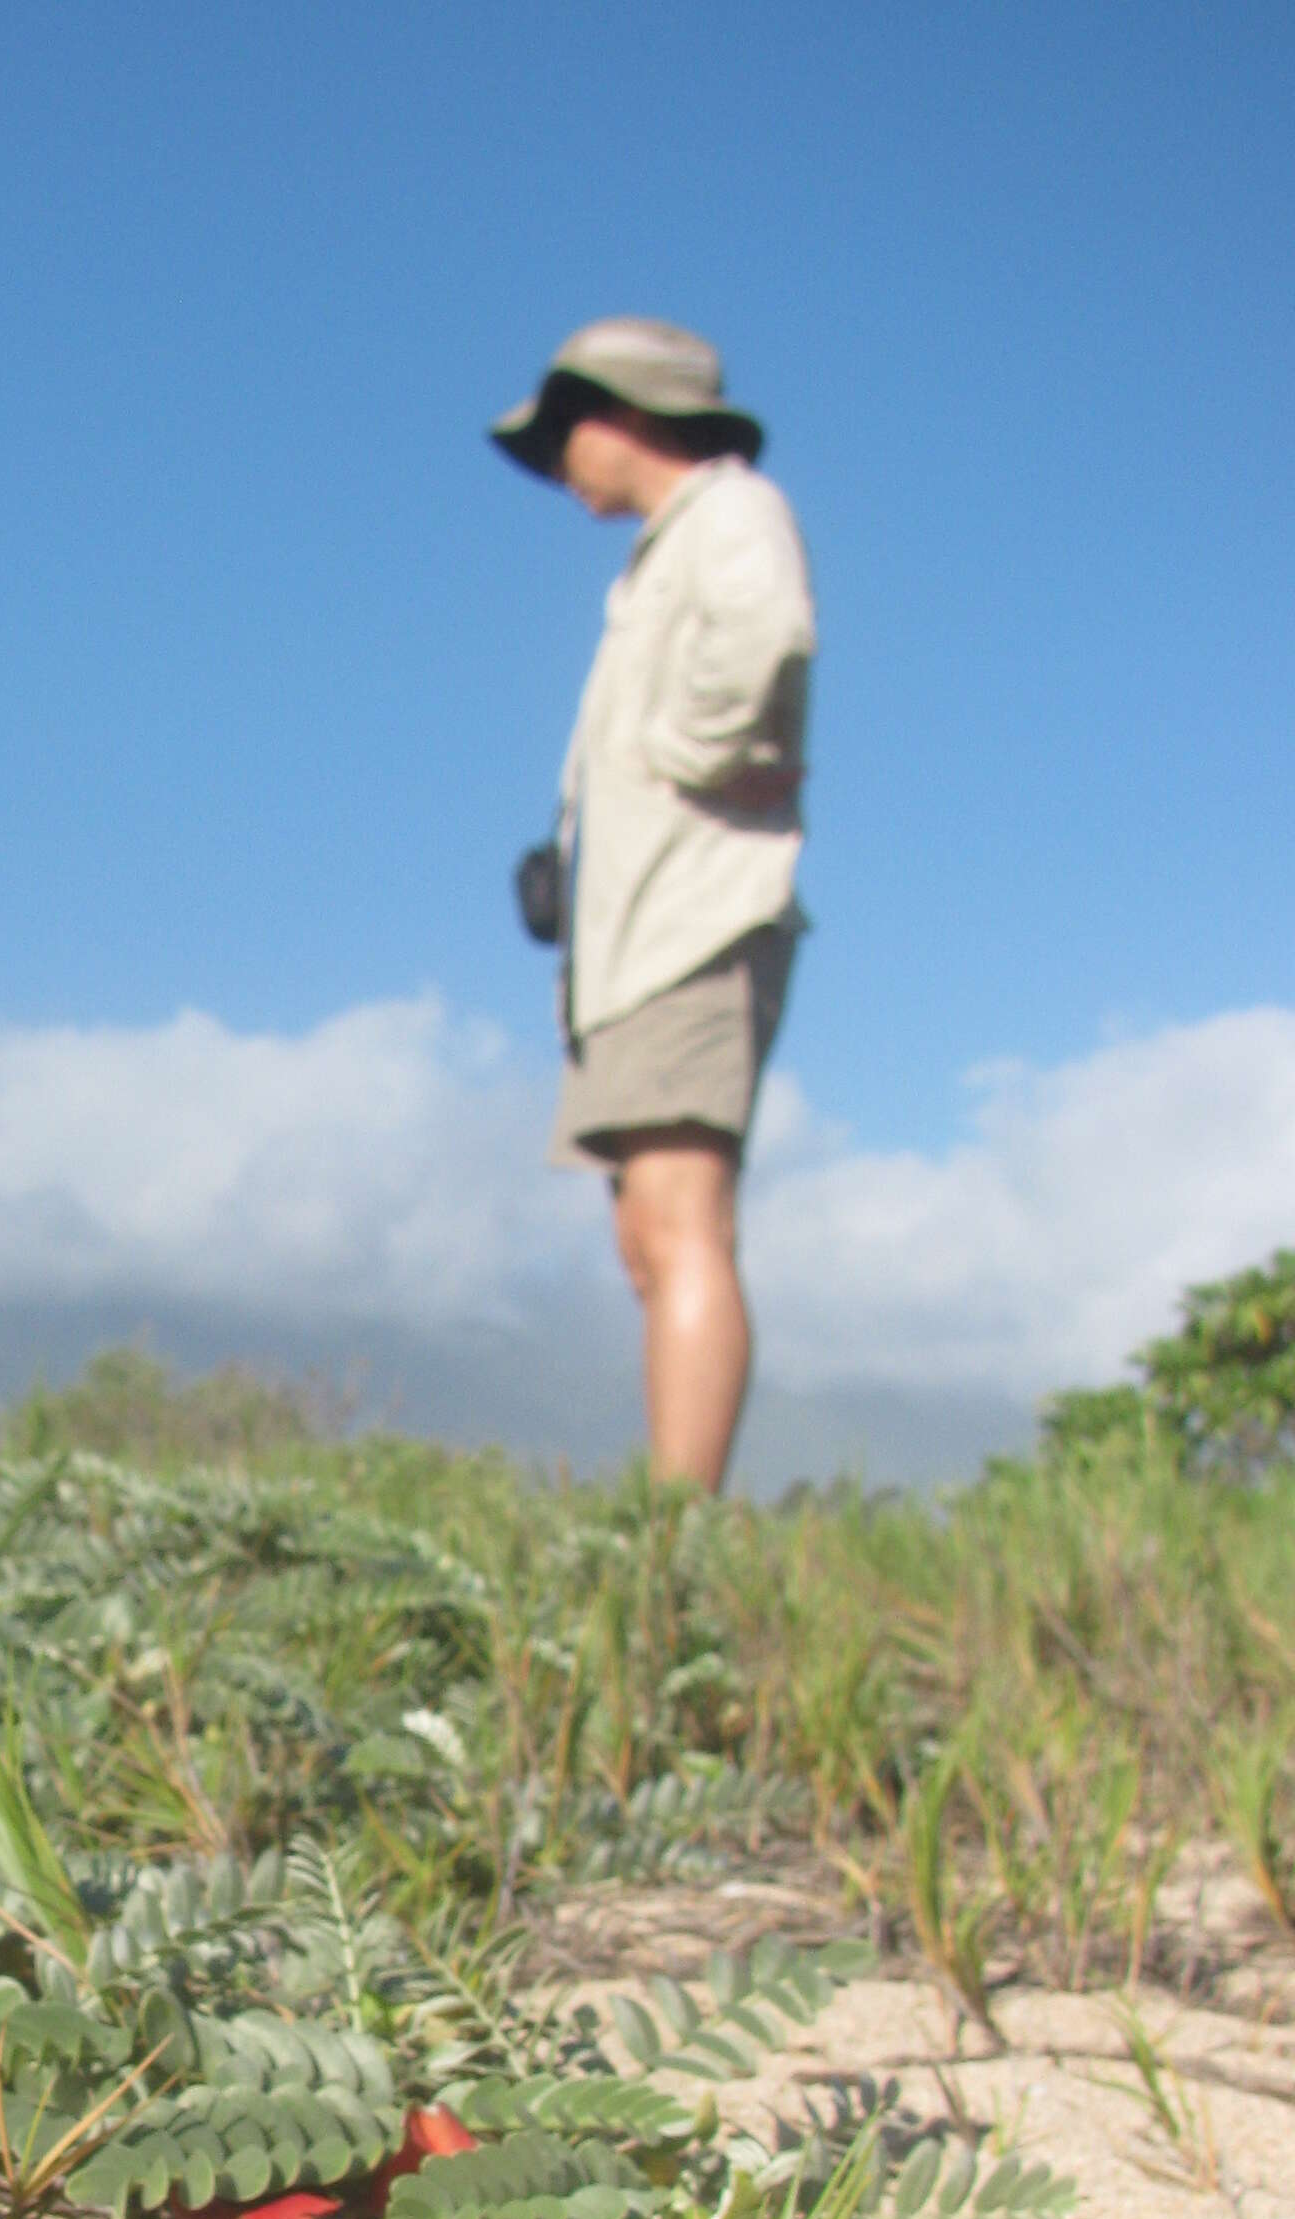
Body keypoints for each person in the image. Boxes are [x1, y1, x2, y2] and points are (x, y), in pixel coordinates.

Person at [491, 318, 814, 1492]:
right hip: (629, 940)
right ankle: (673, 1517)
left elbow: (766, 635)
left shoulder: (730, 512)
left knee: (681, 1221)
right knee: (646, 1236)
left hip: (695, 922)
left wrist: (690, 752)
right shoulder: (654, 561)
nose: (559, 464)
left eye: (563, 434)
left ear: (620, 411)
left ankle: (679, 1536)